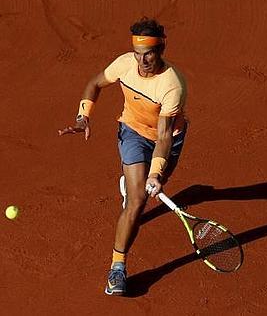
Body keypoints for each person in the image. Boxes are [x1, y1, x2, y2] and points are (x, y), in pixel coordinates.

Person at [58, 17, 188, 296]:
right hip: (132, 132)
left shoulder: (172, 85)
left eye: (149, 54)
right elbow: (94, 84)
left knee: (142, 191)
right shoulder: (125, 64)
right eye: (138, 54)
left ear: (161, 49)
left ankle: (134, 188)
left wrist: (156, 173)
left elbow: (164, 136)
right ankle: (117, 268)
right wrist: (83, 116)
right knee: (139, 200)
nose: (142, 62)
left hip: (167, 140)